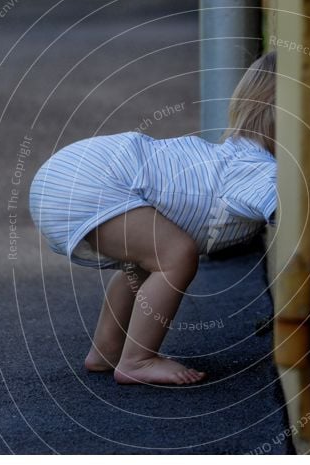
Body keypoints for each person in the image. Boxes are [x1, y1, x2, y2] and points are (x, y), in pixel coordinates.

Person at [28, 52, 276, 385]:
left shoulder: (232, 156)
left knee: (143, 263)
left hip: (69, 172)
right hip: (95, 179)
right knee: (176, 256)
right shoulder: (258, 170)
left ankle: (106, 352)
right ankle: (138, 360)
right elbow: (289, 207)